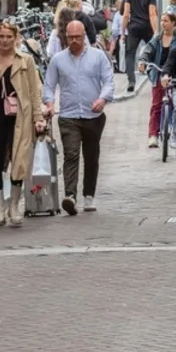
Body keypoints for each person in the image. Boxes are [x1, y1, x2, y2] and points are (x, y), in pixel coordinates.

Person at [0, 21, 45, 228]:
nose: (4, 41)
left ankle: (13, 206)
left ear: (16, 38)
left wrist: (38, 117)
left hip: (19, 116)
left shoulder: (26, 61)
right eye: (1, 37)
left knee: (18, 159)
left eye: (8, 37)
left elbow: (33, 92)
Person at [43, 20, 114, 215]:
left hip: (93, 115)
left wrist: (102, 99)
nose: (74, 41)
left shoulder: (98, 57)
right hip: (68, 115)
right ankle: (70, 196)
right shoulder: (58, 60)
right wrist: (49, 104)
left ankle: (89, 196)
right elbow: (48, 85)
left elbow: (108, 81)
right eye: (71, 37)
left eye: (78, 37)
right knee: (71, 155)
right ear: (66, 36)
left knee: (91, 156)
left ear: (84, 36)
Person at [140, 12, 176, 149]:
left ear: (174, 23)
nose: (163, 23)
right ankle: (153, 135)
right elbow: (148, 50)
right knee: (156, 105)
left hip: (174, 76)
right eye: (162, 20)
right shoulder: (157, 38)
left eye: (166, 21)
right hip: (159, 73)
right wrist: (143, 61)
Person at [122, 0, 159, 93]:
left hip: (133, 28)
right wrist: (156, 32)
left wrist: (123, 32)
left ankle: (131, 81)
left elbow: (126, 14)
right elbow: (152, 14)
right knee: (156, 51)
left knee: (130, 54)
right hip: (147, 28)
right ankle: (155, 77)